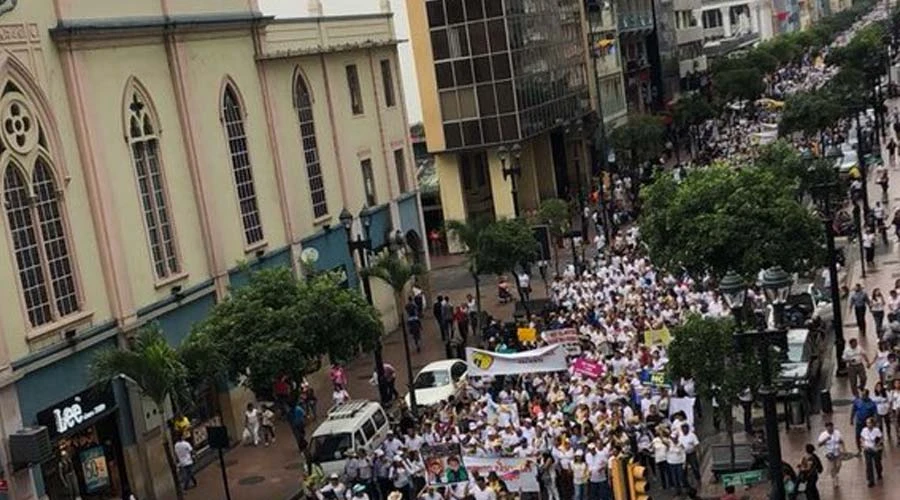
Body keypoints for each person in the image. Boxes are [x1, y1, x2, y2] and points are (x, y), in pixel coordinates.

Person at [851, 389, 878, 453]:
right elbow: (853, 410)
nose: (862, 396)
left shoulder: (872, 403)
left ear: (867, 395)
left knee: (869, 436)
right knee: (858, 435)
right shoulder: (857, 401)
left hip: (868, 423)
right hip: (859, 422)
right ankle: (859, 450)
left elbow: (875, 413)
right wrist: (851, 419)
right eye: (862, 395)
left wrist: (875, 422)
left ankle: (871, 447)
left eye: (864, 395)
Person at [860, 417, 884, 487]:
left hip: (876, 449)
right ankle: (870, 480)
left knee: (877, 463)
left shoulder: (876, 430)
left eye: (869, 423)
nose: (868, 424)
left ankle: (879, 472)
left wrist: (877, 445)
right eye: (867, 423)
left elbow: (881, 438)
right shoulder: (864, 430)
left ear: (872, 423)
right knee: (868, 464)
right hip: (867, 449)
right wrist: (863, 445)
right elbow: (861, 438)